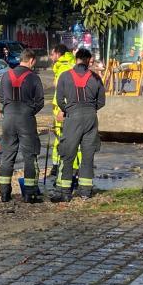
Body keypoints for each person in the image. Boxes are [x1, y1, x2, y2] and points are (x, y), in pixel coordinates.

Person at [56, 48, 106, 199]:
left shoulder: (65, 76)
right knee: (87, 155)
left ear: (76, 58)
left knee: (68, 155)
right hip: (91, 118)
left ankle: (65, 192)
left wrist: (68, 110)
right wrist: (90, 109)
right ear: (89, 60)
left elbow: (59, 100)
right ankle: (85, 192)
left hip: (72, 118)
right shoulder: (96, 78)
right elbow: (102, 102)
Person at [0, 49, 44, 203]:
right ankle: (29, 194)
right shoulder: (33, 77)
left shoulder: (5, 76)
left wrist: (9, 111)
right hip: (26, 118)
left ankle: (4, 193)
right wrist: (29, 112)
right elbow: (40, 101)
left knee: (7, 155)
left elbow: (2, 99)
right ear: (31, 60)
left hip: (8, 117)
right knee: (29, 156)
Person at [50, 44, 76, 179]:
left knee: (62, 137)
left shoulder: (64, 67)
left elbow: (63, 91)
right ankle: (67, 166)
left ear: (58, 54)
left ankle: (60, 167)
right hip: (68, 107)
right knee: (65, 136)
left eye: (52, 53)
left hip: (63, 108)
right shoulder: (68, 64)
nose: (50, 57)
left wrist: (61, 109)